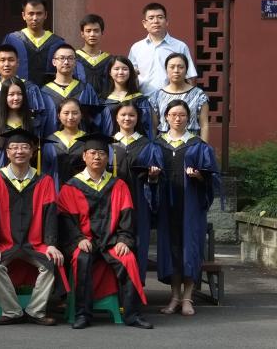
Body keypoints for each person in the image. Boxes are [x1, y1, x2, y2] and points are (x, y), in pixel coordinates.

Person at [57, 132, 153, 330]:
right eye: (92, 153)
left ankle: (132, 314)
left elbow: (127, 215)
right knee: (81, 258)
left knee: (128, 259)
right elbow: (65, 220)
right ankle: (83, 314)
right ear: (84, 156)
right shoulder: (71, 186)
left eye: (101, 153)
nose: (97, 157)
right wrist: (78, 239)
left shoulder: (118, 185)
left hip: (112, 241)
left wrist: (123, 239)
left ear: (108, 158)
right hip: (85, 241)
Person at [0, 128, 64, 327]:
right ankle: (12, 311)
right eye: (14, 147)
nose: (19, 151)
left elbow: (50, 215)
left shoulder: (44, 181)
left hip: (34, 243)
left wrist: (51, 244)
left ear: (32, 151)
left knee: (51, 261)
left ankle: (36, 311)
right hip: (5, 243)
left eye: (24, 147)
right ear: (7, 152)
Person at [154, 99, 220, 317]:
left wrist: (200, 176)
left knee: (190, 250)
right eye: (173, 114)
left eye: (182, 115)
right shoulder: (157, 144)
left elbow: (212, 178)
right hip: (168, 205)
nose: (177, 118)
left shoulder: (198, 145)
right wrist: (152, 176)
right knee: (172, 250)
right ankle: (174, 297)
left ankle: (187, 298)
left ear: (189, 118)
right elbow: (148, 179)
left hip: (191, 205)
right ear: (166, 117)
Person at [110, 102, 164, 282]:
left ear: (138, 118)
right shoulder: (108, 144)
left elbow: (156, 182)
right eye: (123, 115)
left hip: (140, 200)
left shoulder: (148, 145)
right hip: (113, 202)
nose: (127, 118)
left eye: (132, 115)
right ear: (116, 117)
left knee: (140, 242)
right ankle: (114, 287)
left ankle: (136, 286)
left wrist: (153, 177)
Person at [0, 44, 49, 137]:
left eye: (11, 60)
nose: (7, 64)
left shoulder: (31, 89)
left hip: (24, 140)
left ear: (18, 63)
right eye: (2, 60)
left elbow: (39, 121)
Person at [127, 2, 198, 93]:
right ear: (144, 23)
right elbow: (130, 76)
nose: (156, 21)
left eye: (160, 17)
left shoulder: (180, 46)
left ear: (166, 21)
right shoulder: (136, 48)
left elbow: (189, 76)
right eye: (151, 18)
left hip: (172, 99)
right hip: (143, 99)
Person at [2, 0, 64, 85]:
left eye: (39, 14)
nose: (35, 18)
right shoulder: (12, 40)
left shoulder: (57, 43)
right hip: (19, 91)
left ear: (45, 15)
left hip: (50, 92)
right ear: (23, 15)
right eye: (31, 14)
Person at [42, 99, 103, 189]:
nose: (70, 117)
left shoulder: (88, 140)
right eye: (66, 113)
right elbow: (45, 170)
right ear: (59, 115)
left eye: (75, 113)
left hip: (83, 190)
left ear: (81, 115)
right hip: (55, 190)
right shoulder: (50, 141)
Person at [40, 43, 102, 130]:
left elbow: (96, 120)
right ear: (54, 62)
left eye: (70, 58)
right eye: (61, 58)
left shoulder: (86, 90)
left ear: (75, 62)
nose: (66, 62)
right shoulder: (43, 92)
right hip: (52, 138)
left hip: (81, 138)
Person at [0, 78, 36, 178]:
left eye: (19, 94)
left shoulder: (33, 124)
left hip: (28, 179)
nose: (16, 98)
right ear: (4, 97)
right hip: (1, 179)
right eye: (11, 94)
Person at [152, 53, 210, 142]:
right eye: (172, 67)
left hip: (192, 144)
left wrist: (204, 147)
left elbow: (204, 125)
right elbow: (153, 126)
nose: (176, 70)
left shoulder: (199, 95)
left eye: (180, 67)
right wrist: (152, 146)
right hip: (164, 144)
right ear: (166, 70)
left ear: (186, 70)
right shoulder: (157, 96)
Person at [98, 55, 156, 138]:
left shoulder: (140, 100)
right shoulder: (103, 100)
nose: (120, 72)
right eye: (116, 69)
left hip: (137, 144)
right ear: (110, 72)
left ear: (130, 72)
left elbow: (150, 127)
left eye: (125, 69)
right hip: (110, 144)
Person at [74, 14, 111, 94]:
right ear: (82, 34)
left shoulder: (110, 60)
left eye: (96, 31)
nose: (92, 34)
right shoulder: (74, 58)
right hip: (80, 100)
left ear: (102, 33)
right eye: (88, 31)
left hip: (104, 100)